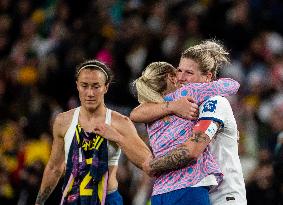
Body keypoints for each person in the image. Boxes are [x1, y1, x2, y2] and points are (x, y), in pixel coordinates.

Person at [94, 40, 242, 205]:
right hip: (194, 188)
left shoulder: (214, 102)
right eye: (179, 70)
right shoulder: (173, 105)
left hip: (223, 195)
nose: (180, 77)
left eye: (189, 73)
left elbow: (191, 151)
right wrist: (172, 106)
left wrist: (153, 166)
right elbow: (136, 113)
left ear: (207, 77)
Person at [35, 59, 152, 205]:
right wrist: (39, 202)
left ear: (106, 87)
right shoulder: (63, 121)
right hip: (72, 199)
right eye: (84, 86)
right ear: (77, 85)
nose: (90, 93)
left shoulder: (120, 122)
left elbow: (147, 161)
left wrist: (117, 138)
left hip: (107, 199)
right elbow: (54, 168)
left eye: (96, 86)